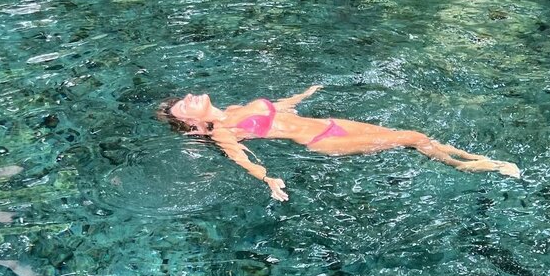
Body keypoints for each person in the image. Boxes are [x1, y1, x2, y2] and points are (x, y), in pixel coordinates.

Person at [159, 86, 521, 202]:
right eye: (185, 106)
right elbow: (241, 158)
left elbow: (278, 108)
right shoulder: (222, 132)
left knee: (415, 137)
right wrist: (268, 180)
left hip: (328, 124)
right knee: (412, 137)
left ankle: (474, 158)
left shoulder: (235, 108)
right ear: (193, 124)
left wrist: (303, 94)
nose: (189, 98)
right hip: (321, 140)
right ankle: (472, 165)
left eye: (185, 98)